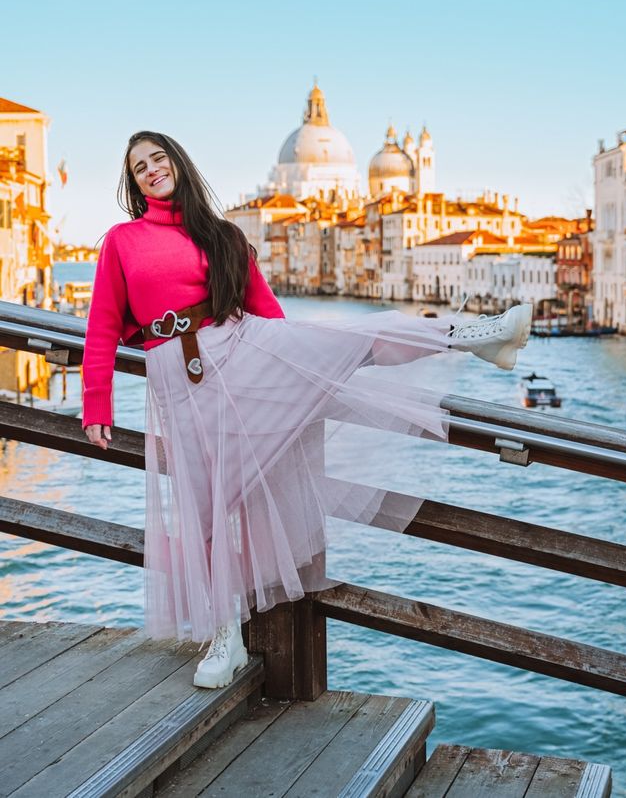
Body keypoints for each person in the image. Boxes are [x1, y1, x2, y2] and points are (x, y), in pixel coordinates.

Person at [83, 131, 532, 690]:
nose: (151, 169)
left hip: (241, 354)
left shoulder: (224, 236)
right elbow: (102, 325)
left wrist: (304, 360)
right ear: (133, 181)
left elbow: (271, 317)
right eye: (139, 166)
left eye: (158, 158)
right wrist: (95, 403)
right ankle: (227, 638)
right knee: (202, 507)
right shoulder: (122, 241)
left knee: (343, 343)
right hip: (179, 381)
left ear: (178, 163)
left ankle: (472, 334)